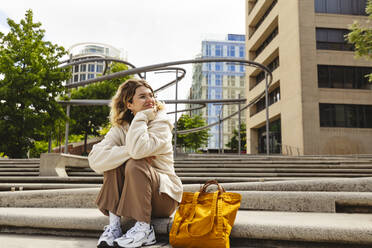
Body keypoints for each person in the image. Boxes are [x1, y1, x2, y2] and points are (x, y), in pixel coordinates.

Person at [88, 78, 183, 248]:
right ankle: (115, 226)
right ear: (129, 104)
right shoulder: (121, 128)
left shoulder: (161, 122)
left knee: (135, 163)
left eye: (151, 95)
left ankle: (144, 229)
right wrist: (128, 153)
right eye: (143, 97)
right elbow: (95, 159)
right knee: (116, 164)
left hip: (164, 197)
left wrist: (141, 117)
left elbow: (139, 150)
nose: (150, 100)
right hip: (133, 198)